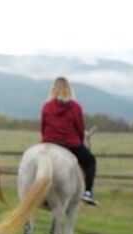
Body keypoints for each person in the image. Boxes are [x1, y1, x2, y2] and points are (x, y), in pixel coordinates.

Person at [41, 76, 98, 205]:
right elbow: (80, 128)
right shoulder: (76, 107)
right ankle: (87, 192)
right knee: (90, 161)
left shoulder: (47, 106)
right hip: (70, 143)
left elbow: (43, 127)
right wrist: (80, 140)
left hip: (49, 142)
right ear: (69, 89)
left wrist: (45, 140)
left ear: (53, 89)